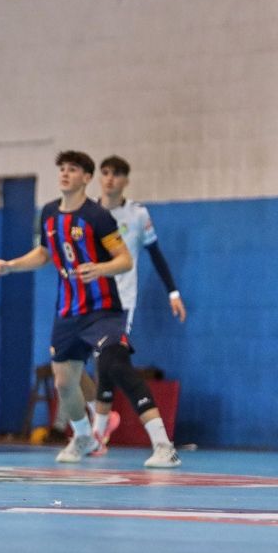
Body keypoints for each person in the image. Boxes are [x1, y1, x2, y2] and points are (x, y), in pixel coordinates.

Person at [0, 151, 180, 468]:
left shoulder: (98, 216)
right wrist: (10, 266)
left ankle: (164, 446)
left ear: (86, 178)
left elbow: (125, 260)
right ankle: (83, 436)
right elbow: (43, 254)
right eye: (61, 169)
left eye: (72, 169)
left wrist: (100, 269)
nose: (65, 174)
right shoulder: (49, 213)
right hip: (67, 312)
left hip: (103, 310)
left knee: (116, 366)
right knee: (64, 382)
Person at [87, 155, 187, 455]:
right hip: (89, 300)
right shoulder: (88, 212)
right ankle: (101, 430)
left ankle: (109, 432)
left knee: (110, 361)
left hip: (121, 302)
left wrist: (173, 292)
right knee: (97, 365)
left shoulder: (137, 214)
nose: (110, 179)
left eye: (117, 174)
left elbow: (155, 253)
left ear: (126, 180)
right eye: (105, 173)